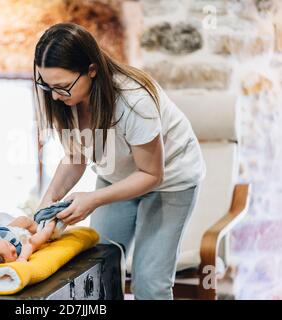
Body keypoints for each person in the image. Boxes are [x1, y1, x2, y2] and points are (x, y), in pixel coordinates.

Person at [33, 23, 206, 300]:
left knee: (149, 281)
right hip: (118, 176)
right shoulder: (65, 101)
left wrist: (94, 199)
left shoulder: (134, 100)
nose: (54, 96)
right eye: (47, 85)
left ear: (91, 70)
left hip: (170, 180)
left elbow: (152, 175)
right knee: (99, 268)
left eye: (62, 87)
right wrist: (44, 206)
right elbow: (76, 156)